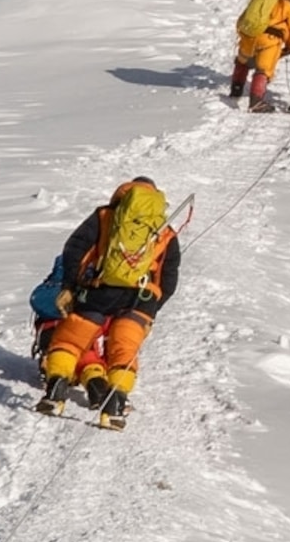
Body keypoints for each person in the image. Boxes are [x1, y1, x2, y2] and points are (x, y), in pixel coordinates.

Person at [36, 176, 181, 423]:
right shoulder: (164, 230)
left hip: (98, 292)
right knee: (124, 350)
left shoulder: (105, 216)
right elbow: (169, 278)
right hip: (142, 298)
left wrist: (70, 286)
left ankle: (56, 393)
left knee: (71, 340)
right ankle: (114, 409)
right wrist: (151, 310)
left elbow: (75, 249)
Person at [229, 0, 290, 112]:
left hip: (249, 35)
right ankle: (256, 102)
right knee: (263, 69)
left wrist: (242, 33)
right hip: (270, 39)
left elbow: (244, 18)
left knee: (243, 61)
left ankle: (236, 89)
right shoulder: (287, 3)